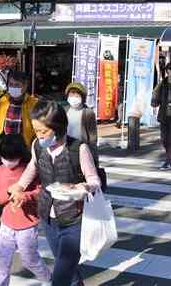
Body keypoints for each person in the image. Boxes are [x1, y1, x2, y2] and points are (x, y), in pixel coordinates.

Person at [8, 100, 101, 286]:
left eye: (44, 131)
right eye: (36, 131)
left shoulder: (78, 149)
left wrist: (82, 188)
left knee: (60, 276)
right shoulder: (37, 146)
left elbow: (95, 181)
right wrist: (19, 187)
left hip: (73, 219)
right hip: (48, 218)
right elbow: (32, 169)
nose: (39, 136)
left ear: (58, 128)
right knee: (69, 270)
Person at [0, 134, 51, 286]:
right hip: (6, 224)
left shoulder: (29, 170)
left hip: (27, 224)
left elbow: (40, 191)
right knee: (3, 263)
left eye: (12, 158)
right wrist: (9, 191)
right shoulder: (0, 170)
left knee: (30, 259)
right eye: (5, 158)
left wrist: (24, 196)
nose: (8, 162)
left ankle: (47, 279)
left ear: (20, 155)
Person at [0, 71, 39, 230]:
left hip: (24, 149)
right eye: (11, 85)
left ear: (25, 86)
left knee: (27, 182)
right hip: (6, 149)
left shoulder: (33, 103)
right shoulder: (3, 101)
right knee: (1, 182)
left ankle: (27, 214)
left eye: (17, 85)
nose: (13, 88)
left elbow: (36, 126)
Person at [64, 82, 98, 162]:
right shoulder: (64, 110)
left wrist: (94, 156)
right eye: (71, 96)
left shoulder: (88, 113)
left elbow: (92, 136)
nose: (74, 98)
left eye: (77, 96)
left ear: (82, 98)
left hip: (81, 149)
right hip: (66, 148)